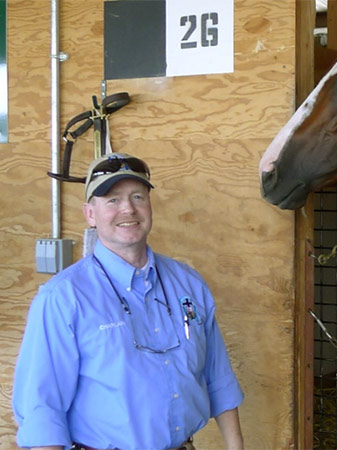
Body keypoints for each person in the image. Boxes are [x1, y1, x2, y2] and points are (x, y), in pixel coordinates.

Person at [12, 153, 244, 450]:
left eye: (138, 196)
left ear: (149, 206)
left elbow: (218, 377)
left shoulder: (189, 283)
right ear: (90, 214)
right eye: (112, 199)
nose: (128, 209)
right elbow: (42, 409)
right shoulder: (63, 298)